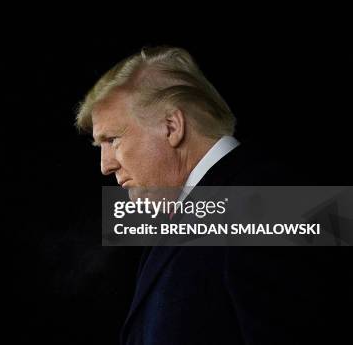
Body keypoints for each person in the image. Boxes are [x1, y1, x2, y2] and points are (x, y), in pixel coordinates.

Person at [76, 46, 347, 344]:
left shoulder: (276, 205)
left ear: (172, 127)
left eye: (113, 140)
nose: (105, 165)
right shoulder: (191, 216)